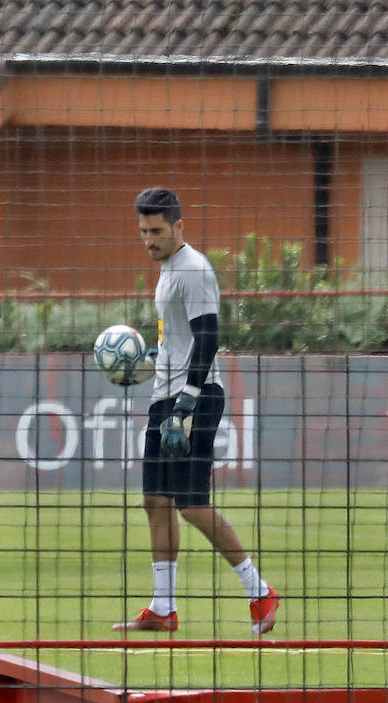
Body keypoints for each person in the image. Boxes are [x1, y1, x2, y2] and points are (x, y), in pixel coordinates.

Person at [113, 187, 280, 635]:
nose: (148, 239)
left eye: (157, 231)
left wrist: (186, 402)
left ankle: (259, 591)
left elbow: (208, 339)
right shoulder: (169, 269)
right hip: (165, 396)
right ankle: (163, 607)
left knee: (189, 505)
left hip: (196, 397)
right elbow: (184, 336)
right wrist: (157, 358)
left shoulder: (194, 269)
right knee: (155, 502)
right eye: (143, 231)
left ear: (178, 227)